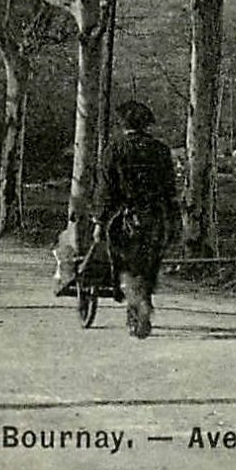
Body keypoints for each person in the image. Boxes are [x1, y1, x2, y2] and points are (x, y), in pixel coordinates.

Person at [92, 100, 181, 339]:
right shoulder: (160, 150)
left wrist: (99, 222)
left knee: (125, 262)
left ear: (123, 125)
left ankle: (136, 307)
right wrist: (174, 221)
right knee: (149, 262)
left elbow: (106, 190)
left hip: (125, 217)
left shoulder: (114, 150)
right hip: (154, 216)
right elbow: (170, 190)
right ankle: (143, 302)